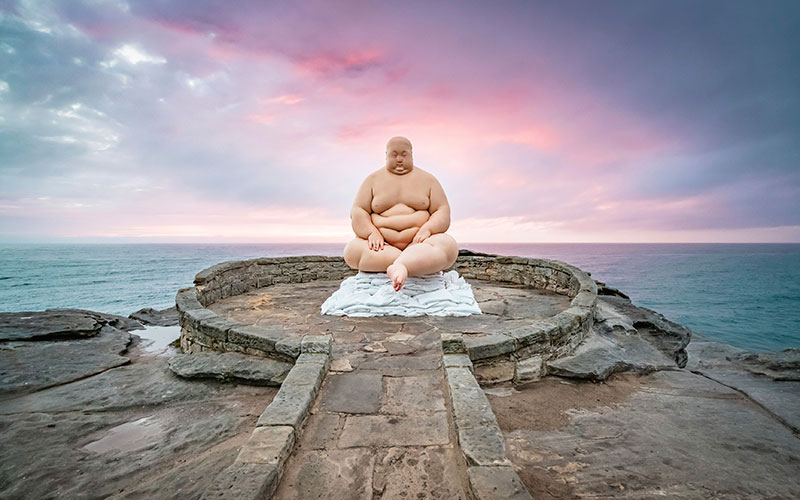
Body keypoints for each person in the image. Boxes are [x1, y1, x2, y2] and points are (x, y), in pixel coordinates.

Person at [343, 136, 459, 291]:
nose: (399, 159)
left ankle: (400, 266)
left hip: (420, 245)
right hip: (382, 249)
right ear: (386, 155)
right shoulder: (372, 180)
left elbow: (442, 210)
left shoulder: (429, 180)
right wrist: (371, 233)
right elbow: (358, 210)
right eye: (394, 154)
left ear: (411, 155)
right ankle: (409, 263)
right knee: (352, 250)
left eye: (404, 155)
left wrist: (428, 229)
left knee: (448, 245)